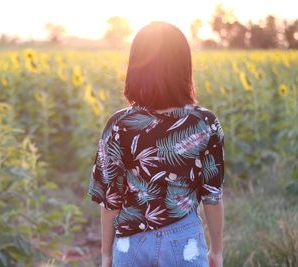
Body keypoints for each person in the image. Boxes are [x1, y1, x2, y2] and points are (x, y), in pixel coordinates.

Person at [87, 21, 225, 267]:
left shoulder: (120, 124)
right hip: (185, 241)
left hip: (131, 242)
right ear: (184, 67)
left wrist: (106, 254)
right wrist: (216, 251)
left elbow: (111, 198)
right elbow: (212, 195)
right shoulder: (205, 122)